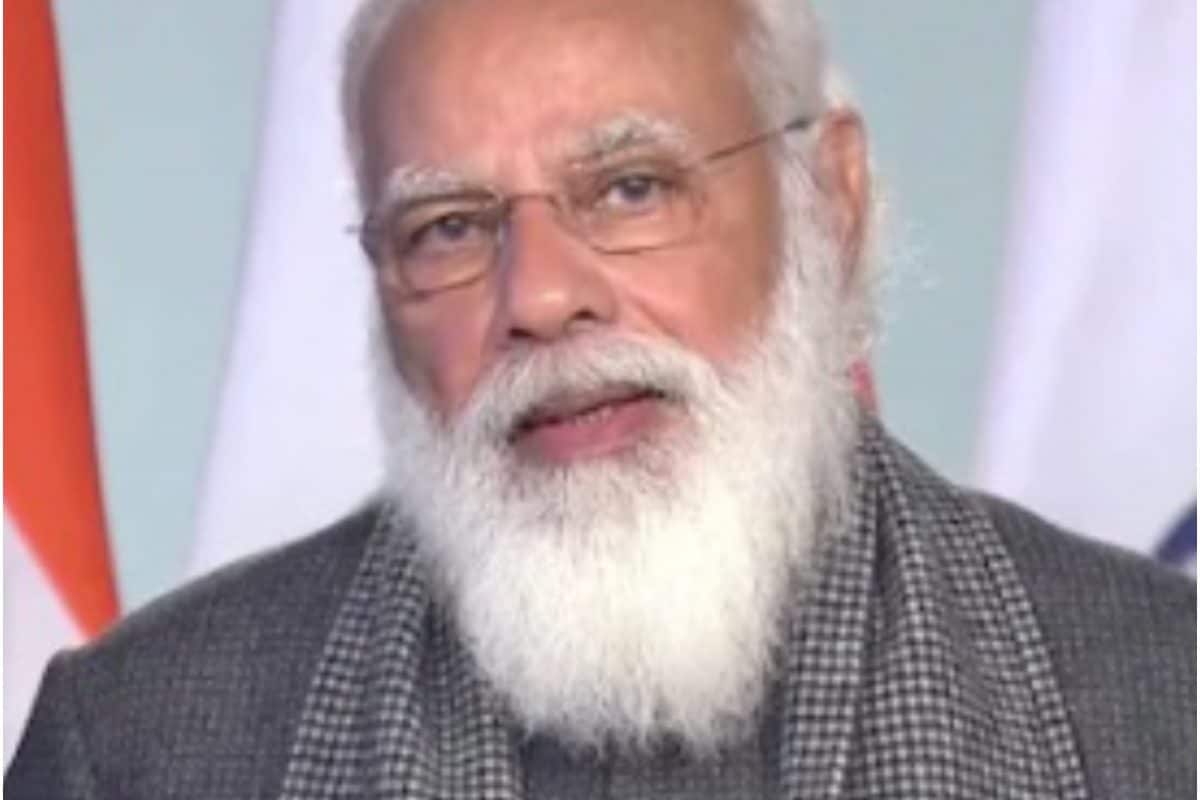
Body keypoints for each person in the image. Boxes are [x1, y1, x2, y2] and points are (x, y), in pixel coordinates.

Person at [8, 0, 1194, 797]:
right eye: (449, 226)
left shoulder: (1166, 701)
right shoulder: (137, 745)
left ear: (828, 206)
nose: (539, 295)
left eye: (631, 188)